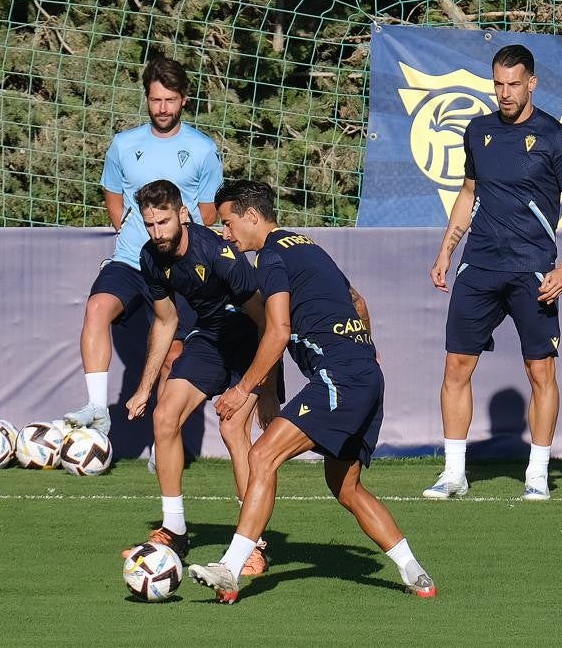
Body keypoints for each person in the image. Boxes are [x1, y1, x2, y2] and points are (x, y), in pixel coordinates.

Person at [186, 180, 436, 603]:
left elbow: (278, 330)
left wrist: (243, 389)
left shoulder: (270, 256)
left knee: (261, 455)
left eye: (228, 223)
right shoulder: (309, 247)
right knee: (345, 487)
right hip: (366, 376)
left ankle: (230, 567)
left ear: (251, 215)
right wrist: (366, 353)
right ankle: (417, 574)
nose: (226, 233)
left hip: (338, 376)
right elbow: (357, 301)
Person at [424, 44, 562, 501]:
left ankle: (537, 474)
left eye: (514, 84)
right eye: (498, 84)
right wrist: (445, 252)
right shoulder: (478, 131)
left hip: (533, 270)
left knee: (540, 372)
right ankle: (454, 473)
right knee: (456, 366)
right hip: (478, 266)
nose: (505, 93)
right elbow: (468, 192)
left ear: (531, 83)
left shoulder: (556, 138)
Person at [61, 55, 223, 435]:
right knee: (98, 307)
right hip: (132, 260)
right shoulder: (123, 144)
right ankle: (98, 408)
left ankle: (162, 439)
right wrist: (130, 230)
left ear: (184, 99)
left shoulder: (201, 149)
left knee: (173, 357)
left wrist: (177, 243)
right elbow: (113, 196)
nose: (162, 108)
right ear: (146, 100)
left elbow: (208, 213)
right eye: (155, 100)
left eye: (169, 100)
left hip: (178, 270)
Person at [121, 180, 271, 576]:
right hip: (210, 337)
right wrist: (144, 387)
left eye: (164, 222)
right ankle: (175, 529)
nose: (158, 233)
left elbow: (265, 321)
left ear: (183, 214)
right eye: (150, 225)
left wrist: (264, 389)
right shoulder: (151, 257)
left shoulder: (219, 253)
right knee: (163, 417)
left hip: (250, 336)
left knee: (233, 429)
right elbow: (167, 320)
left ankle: (253, 545)